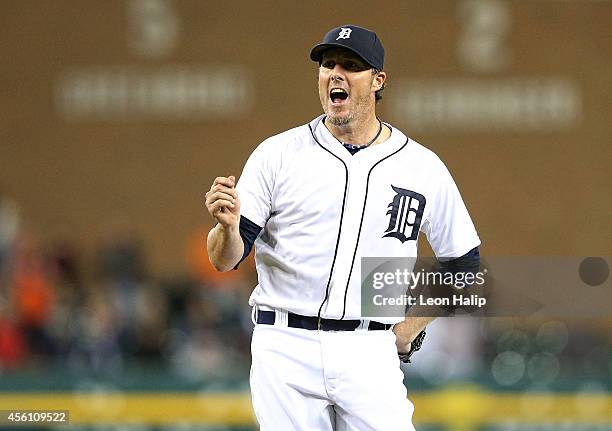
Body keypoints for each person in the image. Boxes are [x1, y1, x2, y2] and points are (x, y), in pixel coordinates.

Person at [205, 24, 481, 431]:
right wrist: (226, 229)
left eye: (351, 65)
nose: (336, 72)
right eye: (327, 63)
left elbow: (466, 267)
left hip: (369, 347)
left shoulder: (421, 167)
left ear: (377, 80)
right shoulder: (278, 154)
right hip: (285, 344)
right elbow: (224, 260)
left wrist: (410, 326)